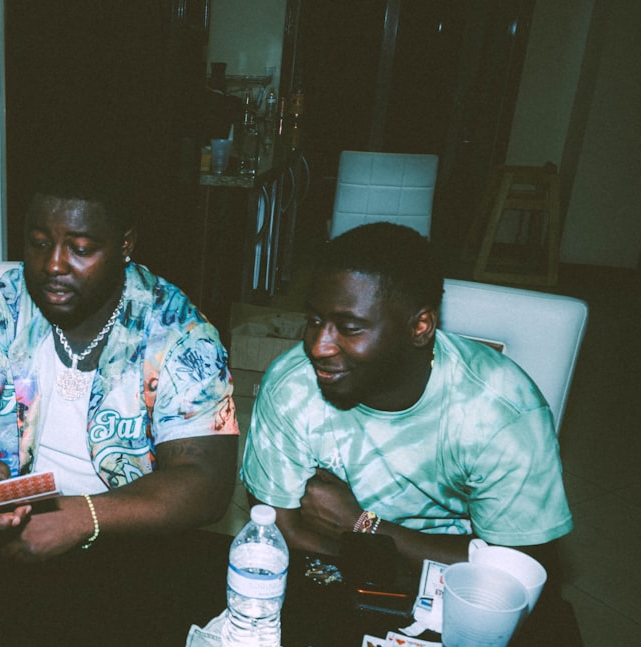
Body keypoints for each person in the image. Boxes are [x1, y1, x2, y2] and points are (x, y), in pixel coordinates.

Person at [0, 157, 239, 562]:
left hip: (132, 536)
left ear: (125, 245)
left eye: (80, 248)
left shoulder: (180, 335)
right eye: (38, 243)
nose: (53, 264)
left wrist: (83, 516)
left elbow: (208, 483)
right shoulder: (0, 306)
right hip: (14, 523)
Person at [240, 222, 572, 575]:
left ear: (420, 327)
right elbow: (279, 530)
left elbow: (517, 568)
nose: (319, 346)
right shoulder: (292, 386)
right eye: (314, 319)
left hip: (459, 596)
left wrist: (363, 525)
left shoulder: (500, 411)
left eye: (350, 328)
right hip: (344, 572)